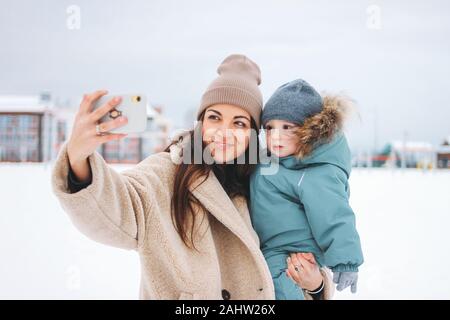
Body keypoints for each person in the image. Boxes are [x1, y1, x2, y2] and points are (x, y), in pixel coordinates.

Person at [51, 55, 334, 299]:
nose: (224, 131)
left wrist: (316, 285)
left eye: (239, 122)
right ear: (200, 122)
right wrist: (78, 157)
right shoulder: (167, 173)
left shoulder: (268, 182)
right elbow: (118, 209)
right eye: (214, 117)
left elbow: (301, 252)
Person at [250, 79, 364, 300]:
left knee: (278, 285)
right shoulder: (273, 160)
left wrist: (346, 260)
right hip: (271, 245)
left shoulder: (317, 172)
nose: (276, 136)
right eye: (270, 128)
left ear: (308, 132)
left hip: (293, 252)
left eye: (287, 127)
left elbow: (334, 214)